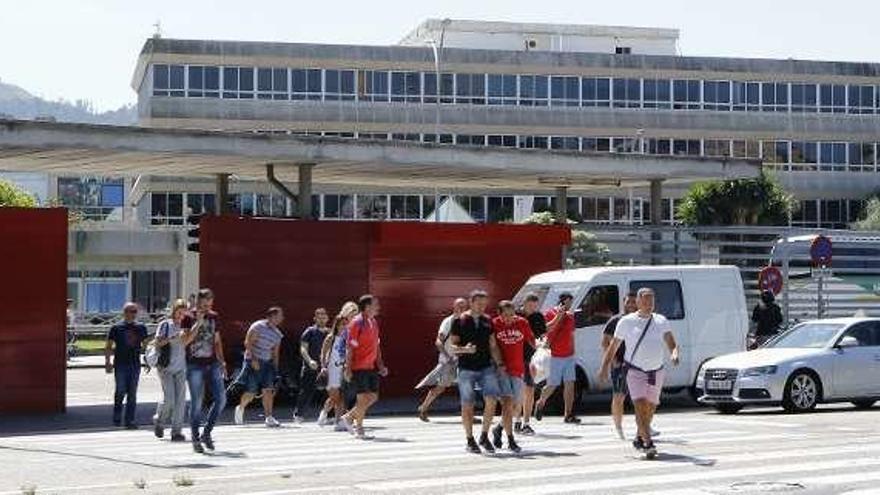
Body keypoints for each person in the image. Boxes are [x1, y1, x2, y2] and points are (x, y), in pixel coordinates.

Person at [600, 287, 680, 458]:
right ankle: (648, 443)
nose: (648, 304)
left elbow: (671, 342)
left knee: (650, 408)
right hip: (635, 371)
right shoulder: (626, 322)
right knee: (640, 405)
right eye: (645, 300)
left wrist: (674, 353)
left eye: (651, 300)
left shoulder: (661, 320)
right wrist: (605, 367)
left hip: (656, 372)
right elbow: (613, 346)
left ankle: (639, 437)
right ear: (637, 302)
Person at [450, 289, 503, 454]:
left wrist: (500, 364)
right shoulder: (459, 321)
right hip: (466, 368)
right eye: (479, 304)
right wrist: (465, 349)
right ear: (471, 302)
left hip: (486, 367)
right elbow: (452, 347)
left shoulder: (488, 321)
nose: (482, 307)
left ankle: (484, 435)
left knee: (492, 400)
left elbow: (493, 345)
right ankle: (470, 439)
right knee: (468, 404)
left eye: (484, 304)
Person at [181, 288, 228, 454]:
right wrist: (198, 323)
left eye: (210, 301)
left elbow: (217, 340)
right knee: (197, 403)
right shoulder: (188, 317)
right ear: (199, 301)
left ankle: (206, 433)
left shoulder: (214, 316)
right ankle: (195, 438)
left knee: (221, 399)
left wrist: (222, 361)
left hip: (213, 363)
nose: (208, 304)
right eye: (205, 301)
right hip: (194, 365)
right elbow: (185, 341)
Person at [339, 295, 388, 439]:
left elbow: (376, 346)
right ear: (367, 307)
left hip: (371, 366)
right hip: (358, 366)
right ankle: (359, 428)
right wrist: (348, 368)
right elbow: (350, 347)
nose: (378, 307)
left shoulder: (373, 322)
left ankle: (349, 417)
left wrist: (380, 365)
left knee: (373, 397)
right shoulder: (356, 323)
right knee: (362, 399)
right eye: (375, 304)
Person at [490, 300, 536, 453]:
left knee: (516, 407)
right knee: (508, 405)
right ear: (499, 314)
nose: (510, 318)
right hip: (501, 370)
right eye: (506, 315)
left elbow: (531, 341)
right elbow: (491, 346)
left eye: (512, 314)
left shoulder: (522, 323)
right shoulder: (494, 325)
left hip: (518, 369)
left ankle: (498, 428)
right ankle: (511, 440)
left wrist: (538, 356)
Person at [416, 297, 468, 422]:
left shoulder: (467, 321)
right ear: (454, 307)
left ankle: (467, 414)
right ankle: (423, 407)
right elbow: (439, 342)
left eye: (464, 306)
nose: (462, 308)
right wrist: (447, 356)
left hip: (463, 359)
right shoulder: (448, 322)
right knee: (441, 386)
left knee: (467, 385)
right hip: (449, 360)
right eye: (459, 306)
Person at [234, 307, 285, 428]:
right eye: (280, 316)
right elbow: (248, 343)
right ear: (272, 316)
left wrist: (275, 370)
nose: (282, 318)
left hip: (267, 363)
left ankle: (269, 417)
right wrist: (253, 360)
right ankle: (240, 408)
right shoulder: (258, 326)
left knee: (268, 390)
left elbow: (275, 353)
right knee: (251, 391)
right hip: (253, 360)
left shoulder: (278, 334)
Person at [534, 292, 580, 424]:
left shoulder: (570, 316)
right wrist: (559, 316)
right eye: (569, 302)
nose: (570, 305)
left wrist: (573, 350)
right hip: (555, 355)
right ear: (563, 301)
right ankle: (541, 402)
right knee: (553, 384)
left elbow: (571, 335)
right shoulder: (550, 314)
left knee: (570, 384)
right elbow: (547, 330)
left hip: (569, 355)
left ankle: (568, 414)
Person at [105, 302, 148, 429]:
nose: (133, 314)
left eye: (135, 311)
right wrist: (108, 362)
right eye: (130, 311)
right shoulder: (116, 328)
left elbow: (146, 345)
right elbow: (108, 346)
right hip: (120, 364)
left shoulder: (141, 327)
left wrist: (148, 360)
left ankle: (130, 420)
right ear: (124, 313)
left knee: (132, 393)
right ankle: (117, 415)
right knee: (120, 391)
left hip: (135, 364)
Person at [601, 292, 638, 440]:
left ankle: (643, 424)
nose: (631, 305)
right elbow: (605, 342)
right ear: (623, 303)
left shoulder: (640, 320)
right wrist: (613, 361)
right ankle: (618, 427)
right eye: (628, 302)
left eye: (633, 302)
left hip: (638, 364)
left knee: (640, 397)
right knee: (619, 396)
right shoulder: (615, 321)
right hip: (621, 365)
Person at [318, 301, 359, 429]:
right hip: (332, 370)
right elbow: (323, 353)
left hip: (344, 370)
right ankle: (324, 412)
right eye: (342, 324)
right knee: (334, 397)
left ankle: (338, 422)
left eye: (346, 324)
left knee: (341, 397)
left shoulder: (351, 336)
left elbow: (357, 348)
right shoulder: (331, 337)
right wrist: (323, 367)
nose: (345, 326)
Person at [153, 299, 189, 442]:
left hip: (181, 367)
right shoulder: (165, 325)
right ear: (174, 311)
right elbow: (158, 343)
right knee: (169, 399)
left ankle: (176, 432)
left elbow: (188, 342)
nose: (182, 315)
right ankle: (159, 420)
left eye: (184, 312)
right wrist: (173, 337)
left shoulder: (186, 326)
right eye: (179, 312)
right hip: (166, 367)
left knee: (180, 401)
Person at [516, 293, 546, 435]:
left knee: (529, 389)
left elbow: (542, 334)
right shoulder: (516, 315)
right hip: (514, 357)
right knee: (517, 391)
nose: (533, 309)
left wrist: (542, 342)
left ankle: (526, 422)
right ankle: (516, 420)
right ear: (525, 303)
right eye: (531, 306)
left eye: (535, 306)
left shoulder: (538, 317)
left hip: (531, 357)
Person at [293, 308, 330, 422]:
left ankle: (330, 415)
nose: (322, 319)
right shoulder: (310, 331)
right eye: (319, 317)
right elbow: (303, 348)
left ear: (327, 318)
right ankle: (298, 415)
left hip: (326, 367)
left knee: (330, 392)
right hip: (311, 367)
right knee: (306, 391)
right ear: (315, 318)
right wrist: (309, 361)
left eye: (324, 316)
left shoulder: (330, 332)